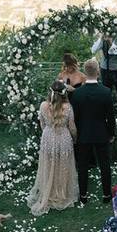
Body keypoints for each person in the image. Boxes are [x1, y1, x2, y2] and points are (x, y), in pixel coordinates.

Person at [27, 80, 79, 216]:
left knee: (49, 165)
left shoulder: (43, 105)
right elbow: (72, 127)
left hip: (48, 137)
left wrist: (48, 132)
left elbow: (42, 124)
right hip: (63, 138)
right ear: (64, 93)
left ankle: (48, 192)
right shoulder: (67, 107)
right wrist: (74, 138)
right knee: (63, 166)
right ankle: (61, 194)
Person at [71, 58, 116, 204]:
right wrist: (111, 134)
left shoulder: (77, 94)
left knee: (82, 166)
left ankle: (83, 196)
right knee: (104, 165)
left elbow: (75, 118)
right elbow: (111, 117)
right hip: (102, 134)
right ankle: (106, 195)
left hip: (83, 134)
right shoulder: (106, 92)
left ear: (85, 72)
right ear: (97, 71)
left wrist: (77, 134)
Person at [91, 32, 117, 106]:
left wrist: (110, 43)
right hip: (105, 69)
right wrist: (101, 38)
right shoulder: (103, 39)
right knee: (106, 92)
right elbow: (93, 50)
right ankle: (107, 109)